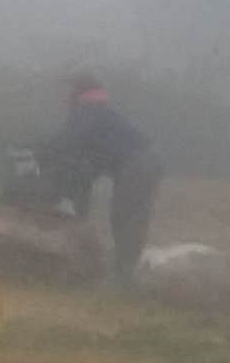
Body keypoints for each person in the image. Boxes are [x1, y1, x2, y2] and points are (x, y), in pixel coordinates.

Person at [32, 74, 163, 287]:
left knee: (126, 218)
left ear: (77, 89)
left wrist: (40, 150)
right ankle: (124, 273)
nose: (61, 97)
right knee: (127, 218)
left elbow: (69, 141)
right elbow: (87, 161)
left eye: (64, 90)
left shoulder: (89, 110)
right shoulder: (94, 109)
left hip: (138, 164)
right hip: (143, 162)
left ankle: (125, 277)